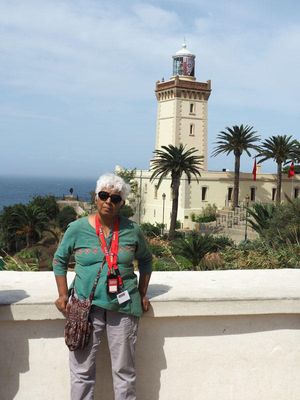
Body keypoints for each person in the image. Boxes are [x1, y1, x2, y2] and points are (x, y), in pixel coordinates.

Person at [53, 173, 152, 400]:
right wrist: (61, 294)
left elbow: (146, 260)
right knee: (82, 371)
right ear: (96, 198)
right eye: (104, 195)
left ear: (122, 204)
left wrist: (143, 293)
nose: (109, 201)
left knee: (124, 371)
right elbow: (59, 260)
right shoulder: (77, 229)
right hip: (85, 307)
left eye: (115, 198)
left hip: (123, 307)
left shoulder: (132, 230)